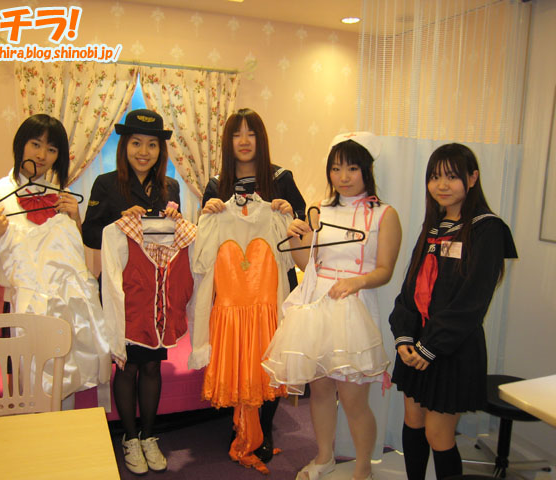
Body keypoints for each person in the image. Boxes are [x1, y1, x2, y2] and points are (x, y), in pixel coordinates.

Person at [263, 132, 402, 480]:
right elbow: (306, 263)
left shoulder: (384, 215)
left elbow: (385, 270)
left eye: (352, 168)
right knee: (321, 391)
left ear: (366, 170)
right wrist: (296, 237)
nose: (343, 177)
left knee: (354, 400)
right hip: (318, 304)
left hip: (354, 306)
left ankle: (362, 467)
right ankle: (324, 457)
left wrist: (357, 282)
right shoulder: (319, 210)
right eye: (336, 168)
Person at [388, 143, 517, 480]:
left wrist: (429, 347)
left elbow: (471, 302)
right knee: (413, 422)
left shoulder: (488, 229)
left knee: (438, 435)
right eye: (434, 177)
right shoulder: (434, 225)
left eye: (451, 176)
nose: (441, 185)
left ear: (472, 178)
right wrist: (405, 338)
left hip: (452, 348)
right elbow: (410, 289)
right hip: (417, 345)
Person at [0, 113, 111, 411]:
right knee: (24, 392)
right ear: (21, 144)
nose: (42, 155)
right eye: (35, 144)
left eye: (51, 149)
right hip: (20, 310)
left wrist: (76, 218)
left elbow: (74, 259)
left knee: (66, 384)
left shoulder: (63, 198)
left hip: (66, 308)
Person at [200, 107, 306, 463]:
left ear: (261, 139)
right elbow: (205, 239)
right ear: (227, 141)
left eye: (251, 133)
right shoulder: (216, 184)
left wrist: (290, 214)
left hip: (273, 285)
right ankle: (242, 424)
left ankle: (264, 426)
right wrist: (207, 212)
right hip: (233, 287)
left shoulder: (281, 179)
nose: (244, 141)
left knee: (270, 354)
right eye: (236, 134)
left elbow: (303, 230)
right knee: (239, 353)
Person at [82, 109, 182, 476]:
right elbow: (90, 235)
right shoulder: (106, 184)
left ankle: (149, 436)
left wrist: (170, 225)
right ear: (125, 146)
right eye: (136, 143)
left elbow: (170, 240)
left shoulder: (170, 187)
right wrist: (122, 220)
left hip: (155, 292)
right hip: (120, 291)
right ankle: (129, 437)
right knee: (126, 366)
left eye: (152, 145)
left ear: (160, 150)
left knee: (152, 364)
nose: (144, 151)